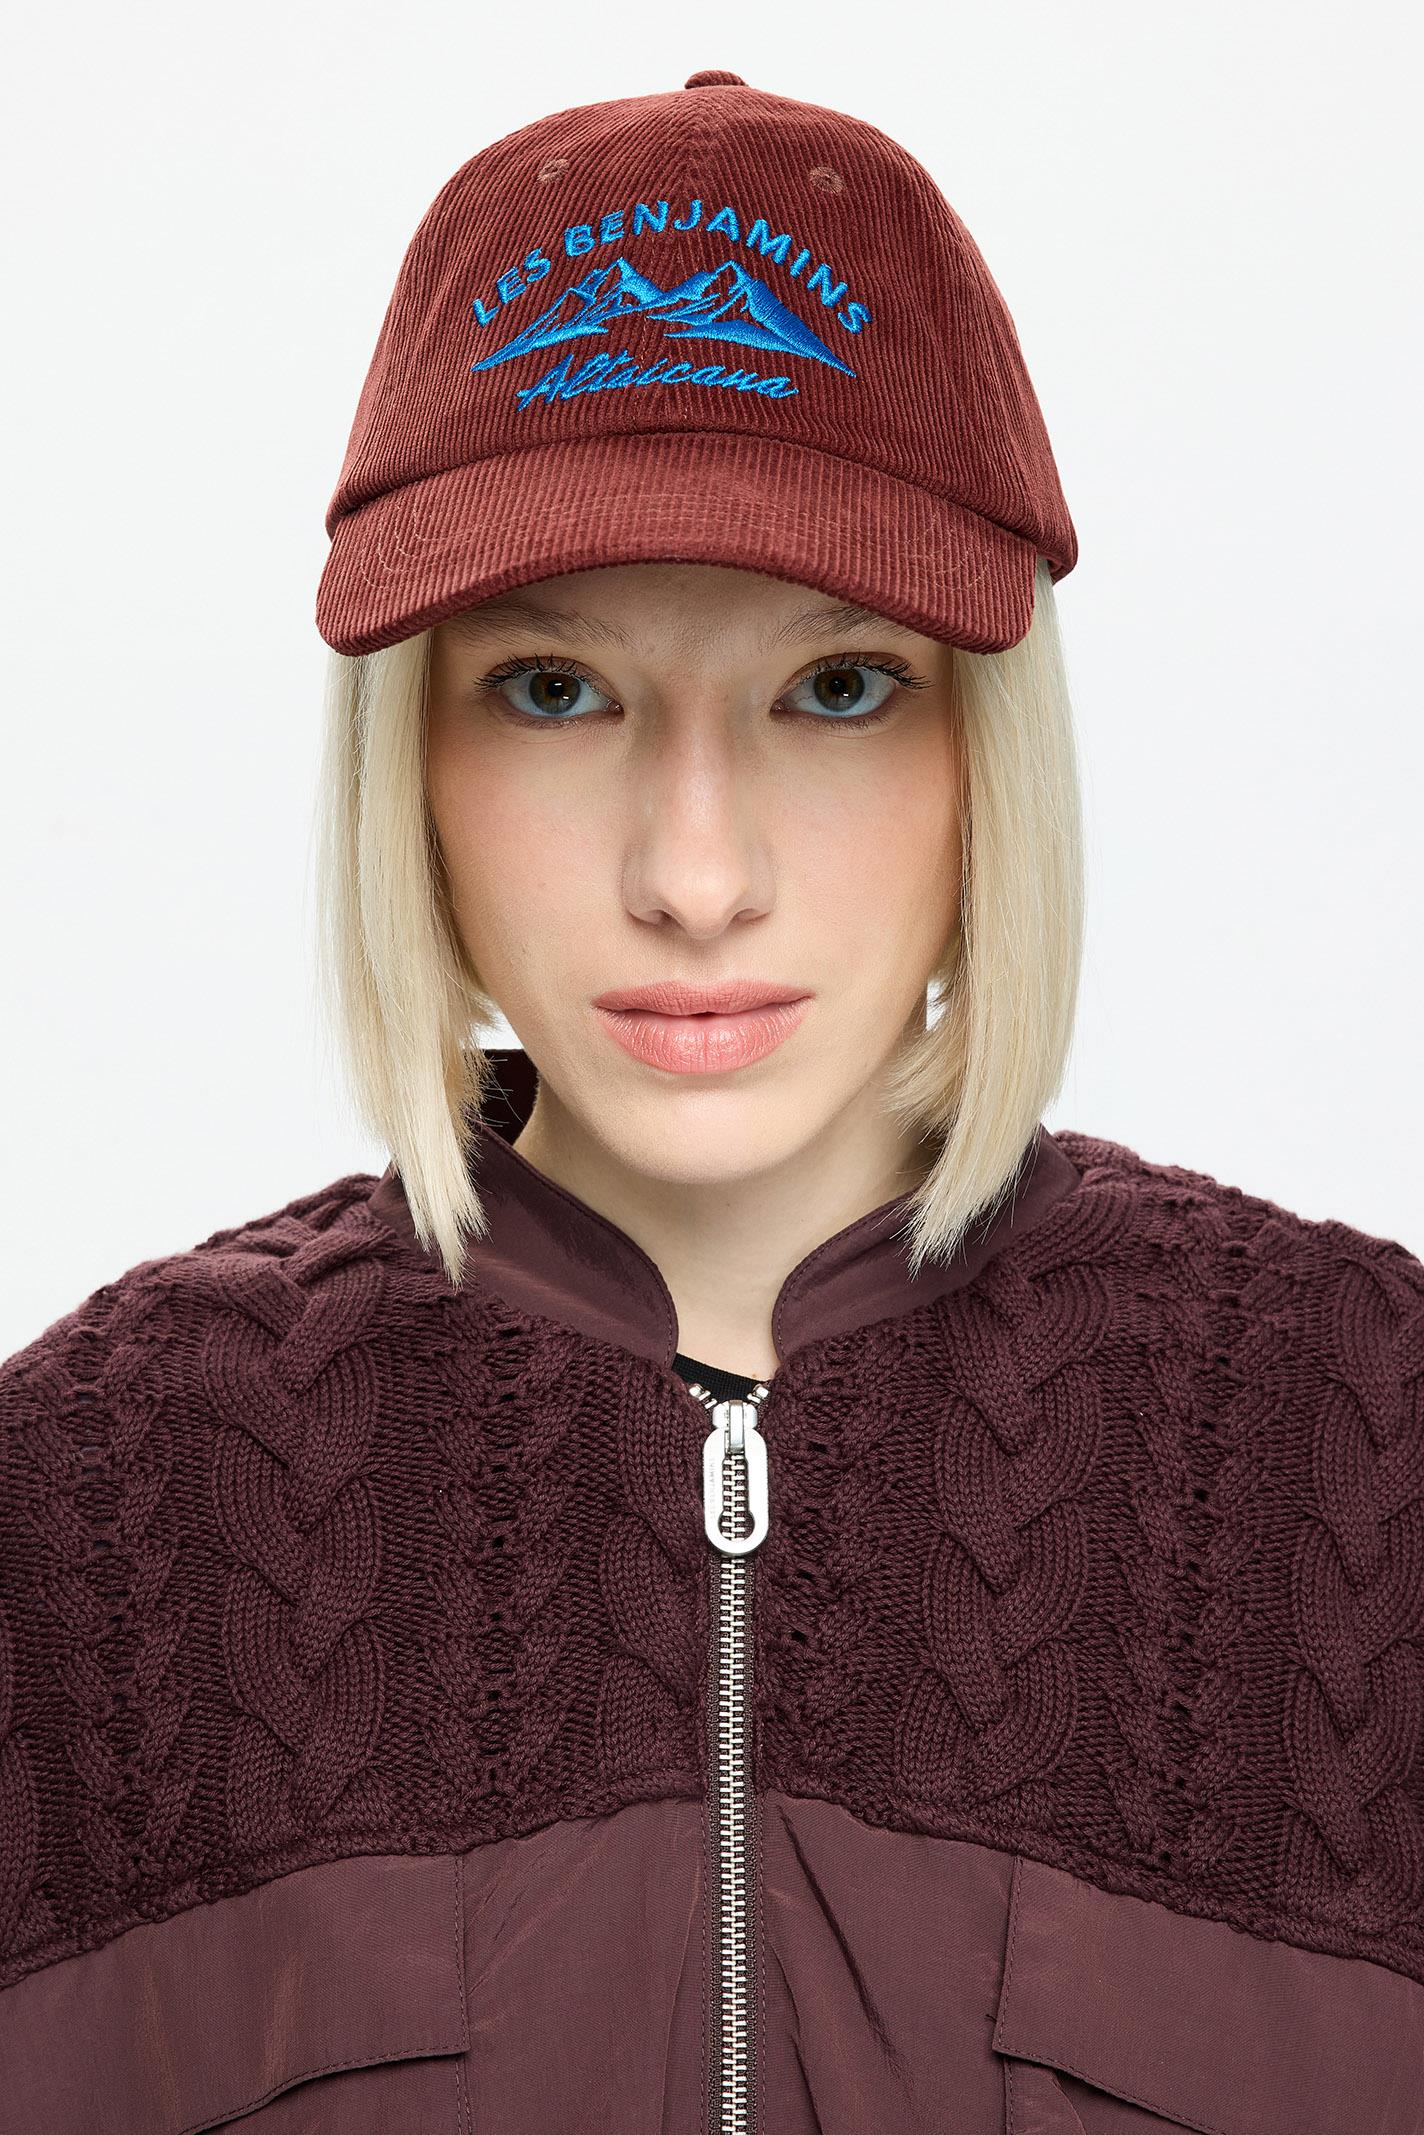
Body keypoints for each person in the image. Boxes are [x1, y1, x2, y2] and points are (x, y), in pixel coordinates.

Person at [2, 66, 1422, 2135]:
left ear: (988, 755)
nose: (693, 874)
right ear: (410, 766)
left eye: (835, 687)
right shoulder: (82, 1510)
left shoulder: (1367, 1446)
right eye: (551, 689)